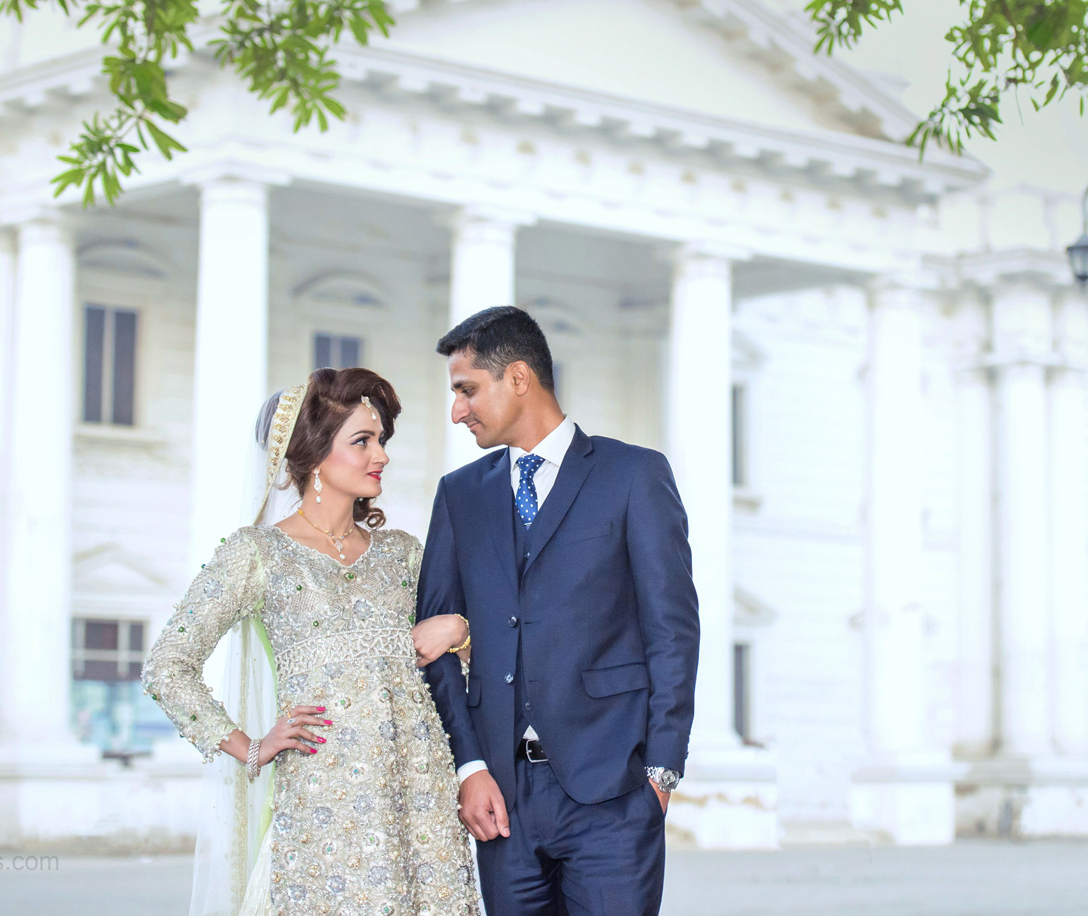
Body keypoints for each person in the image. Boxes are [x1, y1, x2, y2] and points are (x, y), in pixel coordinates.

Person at [143, 367, 480, 916]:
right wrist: (249, 746)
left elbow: (473, 659)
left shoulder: (402, 554)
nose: (382, 456)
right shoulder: (257, 554)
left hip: (419, 797)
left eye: (382, 440)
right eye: (363, 441)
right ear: (314, 453)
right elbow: (167, 666)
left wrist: (463, 632)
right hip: (325, 804)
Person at [417, 306, 699, 916]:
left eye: (466, 389)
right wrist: (469, 766)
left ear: (518, 378)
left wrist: (662, 773)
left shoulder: (633, 475)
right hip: (502, 803)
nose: (457, 410)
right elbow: (432, 643)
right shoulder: (459, 495)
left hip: (615, 794)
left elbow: (672, 630)